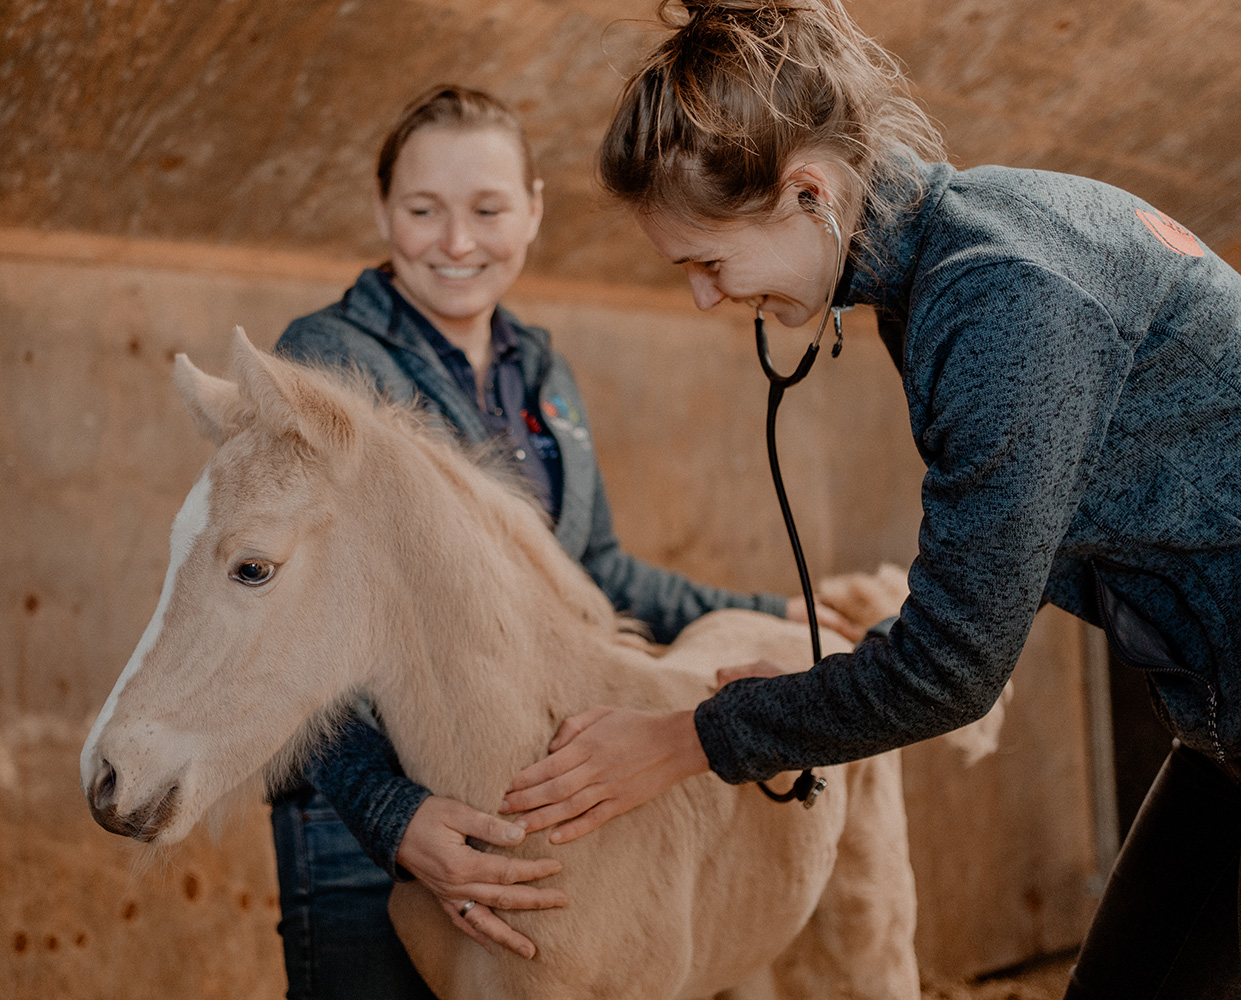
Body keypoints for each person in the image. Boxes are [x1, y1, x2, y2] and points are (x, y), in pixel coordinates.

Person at [500, 3, 1241, 997]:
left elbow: (953, 667)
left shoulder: (997, 297)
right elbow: (982, 589)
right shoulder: (947, 264)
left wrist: (682, 739)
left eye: (707, 263)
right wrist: (792, 700)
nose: (704, 301)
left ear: (807, 191)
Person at [267, 83, 824, 1000]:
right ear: (380, 213)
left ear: (531, 211)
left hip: (516, 796)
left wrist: (772, 613)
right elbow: (281, 618)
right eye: (422, 210)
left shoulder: (541, 367)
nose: (456, 242)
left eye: (487, 209)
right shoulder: (324, 368)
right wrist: (389, 814)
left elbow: (592, 569)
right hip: (361, 819)